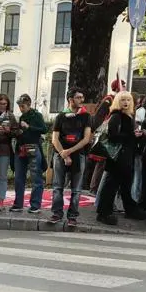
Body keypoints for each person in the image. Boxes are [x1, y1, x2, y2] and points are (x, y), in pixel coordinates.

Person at [48, 90, 92, 224]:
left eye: (82, 97)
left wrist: (70, 151)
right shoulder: (61, 116)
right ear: (70, 99)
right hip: (60, 154)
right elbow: (54, 139)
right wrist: (63, 154)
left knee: (76, 188)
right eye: (78, 97)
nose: (81, 100)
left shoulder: (86, 116)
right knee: (57, 186)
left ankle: (72, 216)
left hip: (78, 155)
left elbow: (86, 139)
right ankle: (57, 213)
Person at [95, 91, 137, 226]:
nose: (126, 102)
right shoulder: (116, 116)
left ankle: (129, 209)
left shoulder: (127, 116)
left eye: (128, 100)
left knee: (125, 185)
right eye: (123, 99)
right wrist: (131, 135)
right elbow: (113, 136)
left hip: (125, 157)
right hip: (117, 158)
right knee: (111, 186)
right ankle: (103, 213)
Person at [12, 93, 48, 212]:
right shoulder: (21, 116)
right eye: (19, 106)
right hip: (21, 148)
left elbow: (44, 129)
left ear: (29, 105)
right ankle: (18, 204)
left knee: (36, 177)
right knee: (18, 177)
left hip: (33, 148)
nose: (21, 109)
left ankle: (35, 205)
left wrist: (28, 127)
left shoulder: (36, 115)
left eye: (23, 106)